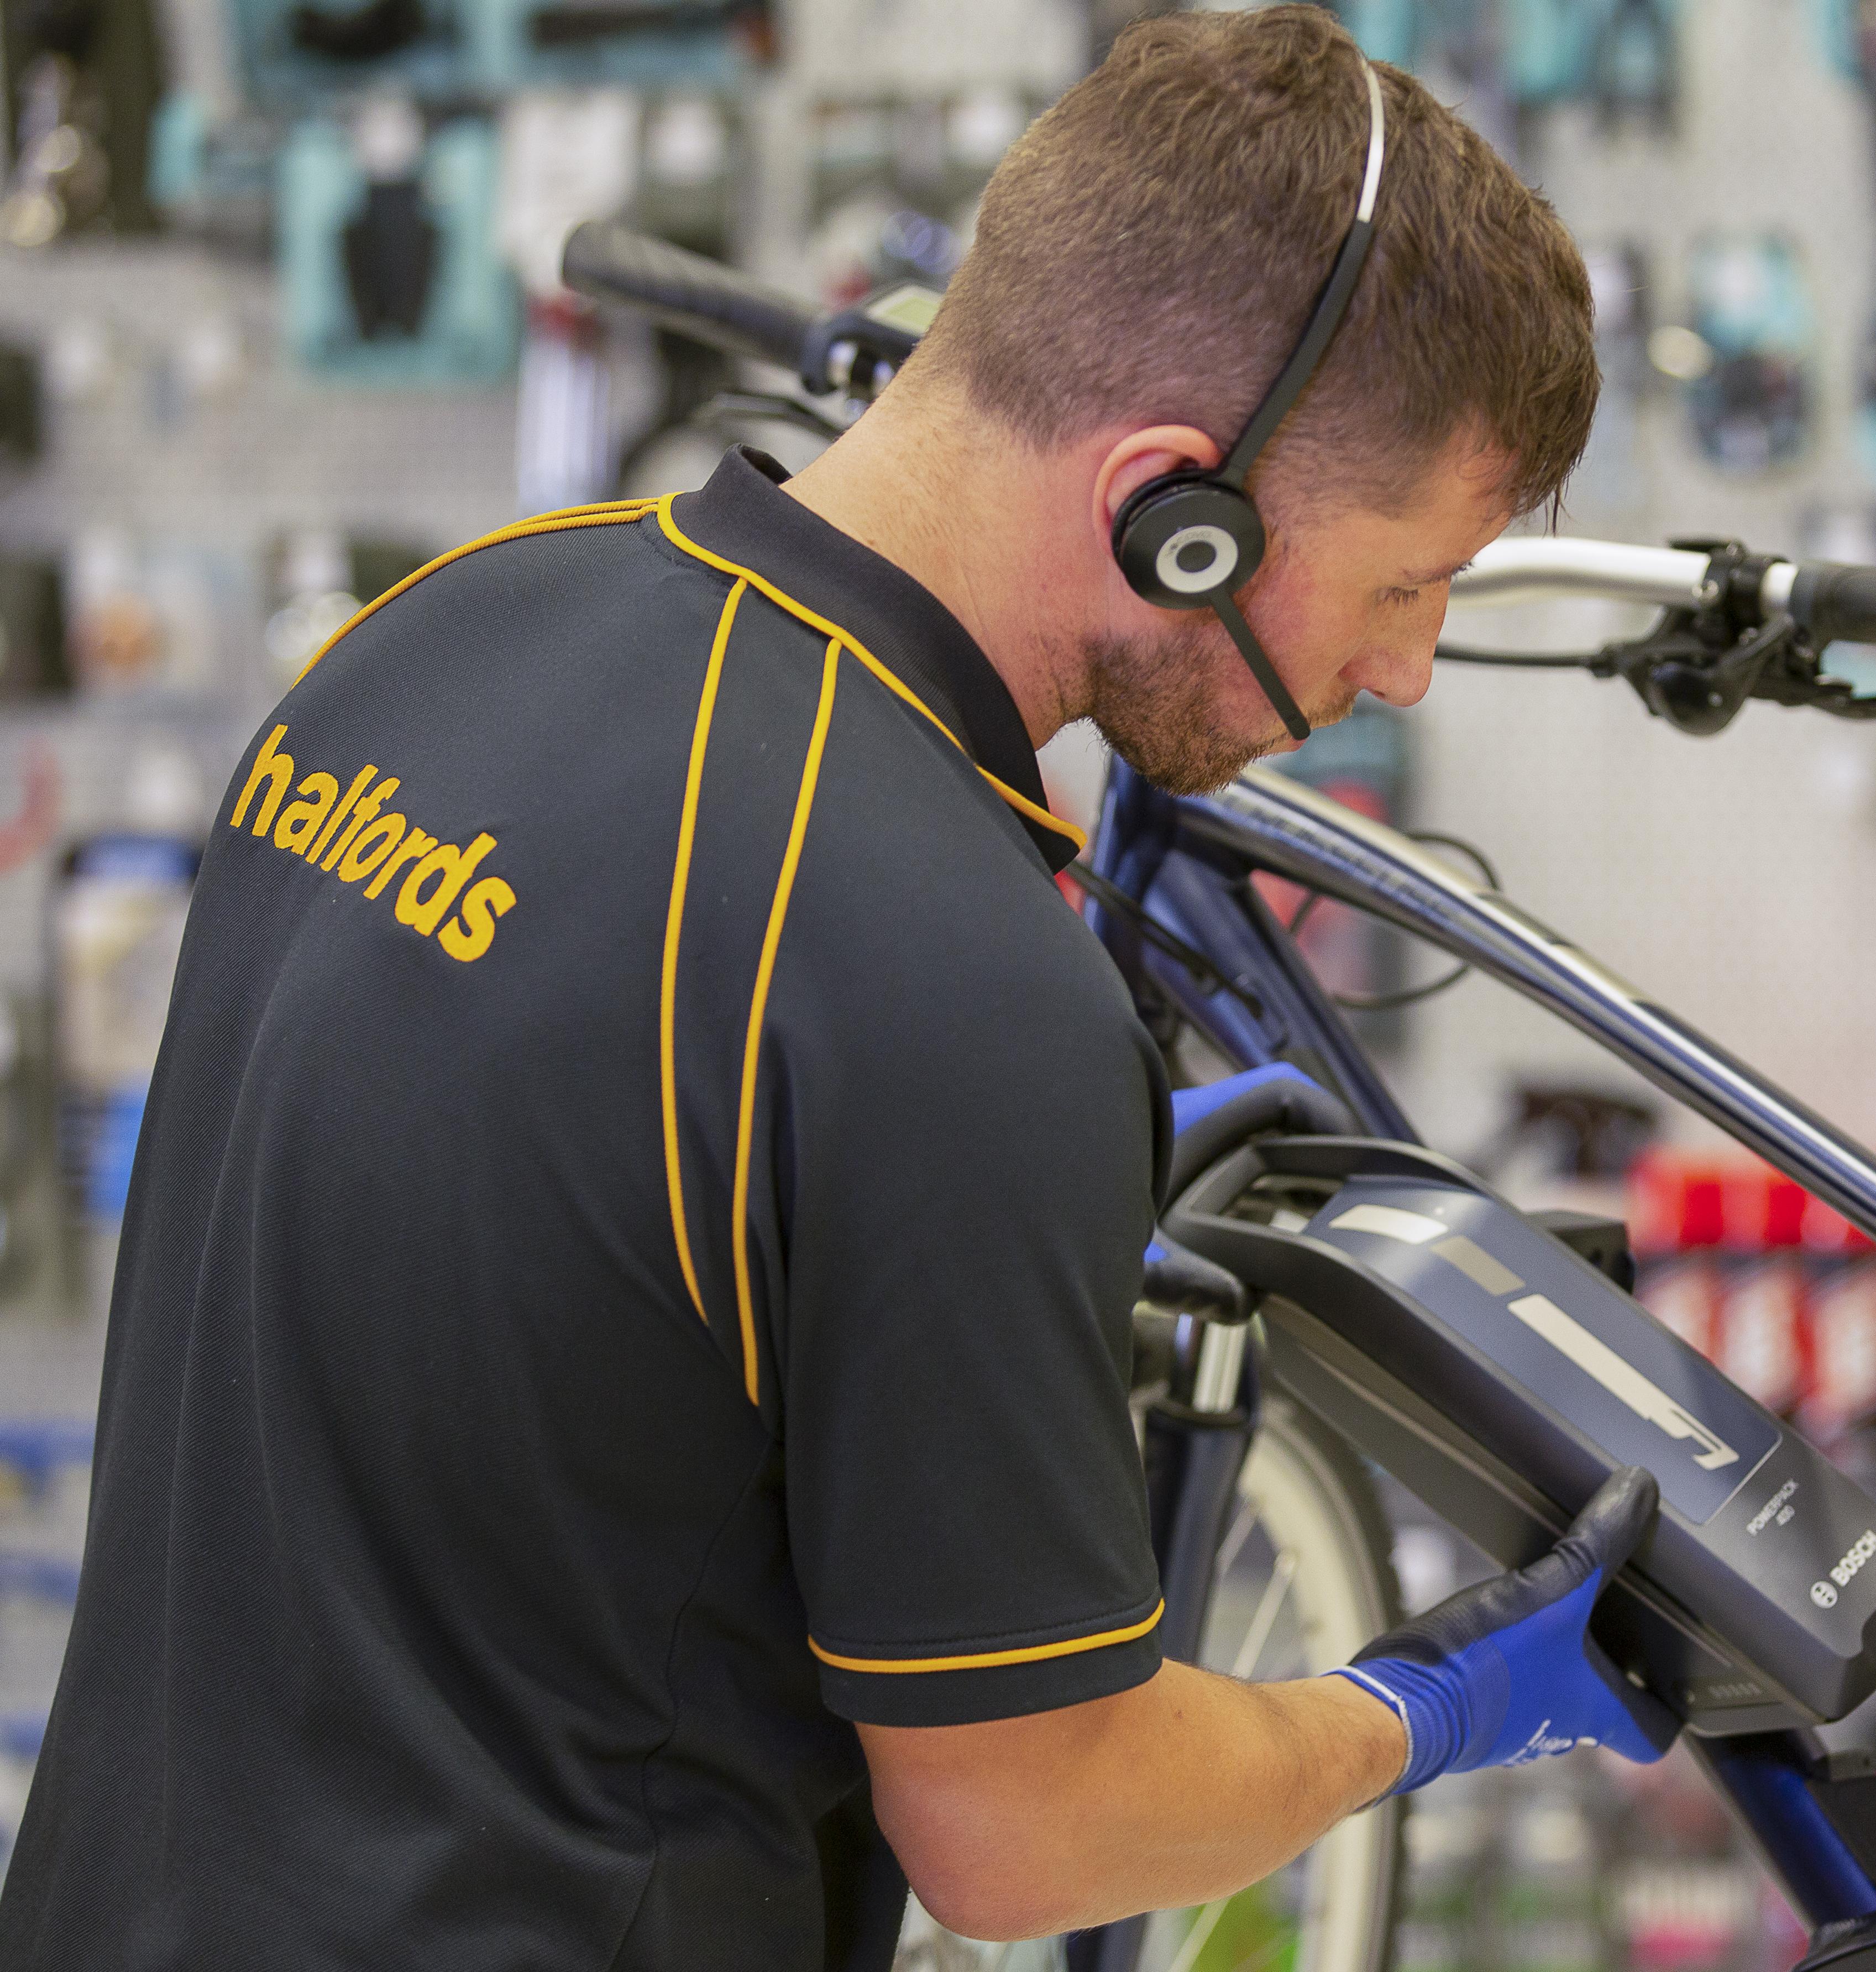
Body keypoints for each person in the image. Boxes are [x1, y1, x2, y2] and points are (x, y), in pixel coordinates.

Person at [0, 11, 1673, 1967]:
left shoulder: (431, 635)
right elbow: (1031, 1832)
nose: (1406, 670)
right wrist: (1413, 1710)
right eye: (1407, 584)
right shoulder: (953, 981)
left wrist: (935, 1239)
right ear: (1172, 506)